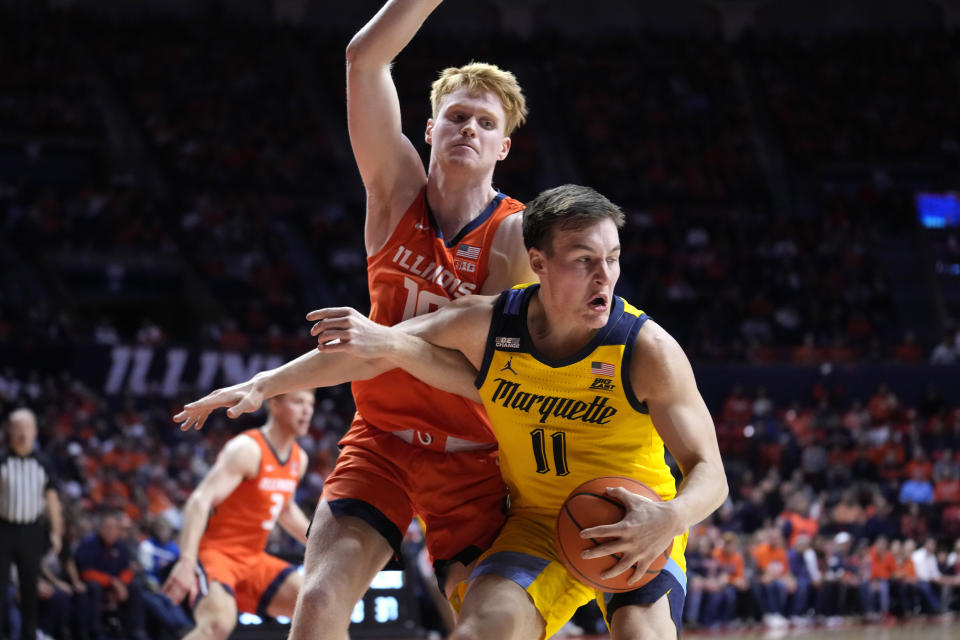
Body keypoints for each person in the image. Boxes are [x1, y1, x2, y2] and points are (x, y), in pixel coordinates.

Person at [181, 184, 728, 638]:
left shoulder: (646, 349)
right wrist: (264, 384)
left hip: (635, 519)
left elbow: (710, 472)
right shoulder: (487, 323)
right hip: (536, 523)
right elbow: (373, 348)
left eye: (611, 259)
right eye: (584, 261)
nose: (604, 277)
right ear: (537, 263)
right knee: (478, 631)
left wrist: (671, 517)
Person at [176, 1, 534, 638]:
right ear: (428, 129)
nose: (468, 129)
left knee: (489, 626)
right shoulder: (395, 190)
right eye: (455, 116)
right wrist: (265, 384)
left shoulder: (515, 238)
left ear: (503, 146)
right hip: (383, 441)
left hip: (476, 456)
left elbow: (492, 382)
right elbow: (364, 59)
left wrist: (390, 344)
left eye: (484, 122)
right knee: (315, 606)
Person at [161, 390, 314, 639]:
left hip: (254, 558)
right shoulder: (248, 448)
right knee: (218, 624)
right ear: (274, 406)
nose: (307, 410)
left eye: (310, 404)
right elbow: (200, 500)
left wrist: (321, 545)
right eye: (298, 402)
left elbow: (285, 509)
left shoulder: (299, 458)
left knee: (321, 606)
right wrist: (186, 561)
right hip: (215, 554)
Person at [0, 408, 64, 640]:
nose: (23, 434)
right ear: (9, 431)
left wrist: (56, 532)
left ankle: (29, 635)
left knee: (30, 589)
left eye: (27, 428)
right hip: (4, 529)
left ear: (35, 431)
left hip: (32, 530)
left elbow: (53, 501)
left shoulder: (44, 463)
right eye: (18, 429)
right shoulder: (2, 460)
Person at [74, 510, 148, 640]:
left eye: (115, 528)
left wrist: (120, 584)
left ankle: (136, 631)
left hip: (114, 586)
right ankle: (96, 632)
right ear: (100, 528)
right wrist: (113, 582)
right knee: (93, 587)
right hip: (95, 586)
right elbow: (86, 572)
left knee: (135, 587)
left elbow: (127, 570)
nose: (111, 531)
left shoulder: (120, 545)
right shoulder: (89, 543)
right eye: (107, 527)